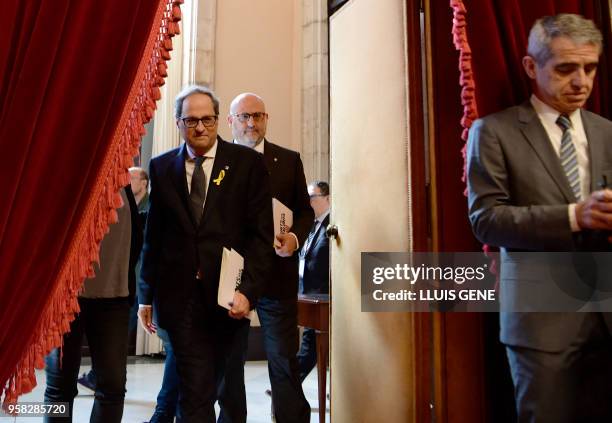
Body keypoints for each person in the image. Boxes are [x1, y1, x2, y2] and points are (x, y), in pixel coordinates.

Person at [466, 14, 612, 422]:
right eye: (566, 68)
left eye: (590, 68)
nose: (581, 81)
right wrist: (574, 216)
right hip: (541, 321)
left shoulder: (607, 132)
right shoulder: (494, 132)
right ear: (532, 67)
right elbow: (486, 220)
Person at [138, 85, 274, 423]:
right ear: (178, 123)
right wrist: (145, 295)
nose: (200, 127)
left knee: (212, 383)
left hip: (228, 299)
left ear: (217, 121)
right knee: (195, 388)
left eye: (208, 120)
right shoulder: (162, 167)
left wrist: (249, 292)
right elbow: (153, 237)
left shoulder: (246, 164)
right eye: (192, 120)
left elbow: (260, 237)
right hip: (179, 299)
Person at [221, 92, 313, 423]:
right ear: (231, 121)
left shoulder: (288, 160)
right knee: (228, 362)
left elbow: (305, 212)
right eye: (244, 116)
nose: (251, 122)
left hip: (277, 276)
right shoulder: (217, 161)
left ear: (266, 119)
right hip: (232, 277)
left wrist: (294, 237)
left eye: (257, 115)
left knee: (283, 360)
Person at [44, 186, 143, 423]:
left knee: (112, 387)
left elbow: (135, 240)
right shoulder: (70, 175)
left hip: (114, 297)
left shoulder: (122, 182)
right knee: (59, 389)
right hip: (64, 300)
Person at [76, 166, 151, 394]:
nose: (129, 178)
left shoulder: (146, 206)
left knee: (116, 342)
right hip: (115, 280)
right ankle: (99, 375)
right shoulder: (131, 201)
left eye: (134, 176)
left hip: (128, 282)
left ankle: (104, 376)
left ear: (144, 182)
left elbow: (142, 243)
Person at [297, 181, 330, 382]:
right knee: (309, 346)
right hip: (307, 294)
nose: (308, 202)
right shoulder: (311, 225)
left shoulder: (333, 225)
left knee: (309, 346)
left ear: (327, 199)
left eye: (312, 197)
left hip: (323, 297)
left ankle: (287, 387)